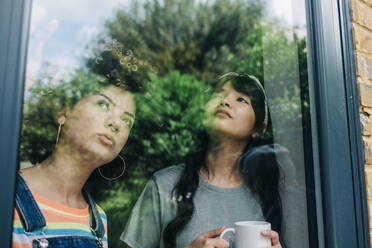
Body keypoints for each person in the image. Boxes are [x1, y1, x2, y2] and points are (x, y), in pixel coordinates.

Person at [121, 72, 283, 248]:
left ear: (259, 128)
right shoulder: (163, 185)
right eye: (218, 94)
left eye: (241, 99)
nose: (225, 101)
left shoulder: (268, 196)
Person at [12, 82, 136, 248]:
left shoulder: (99, 220)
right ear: (65, 111)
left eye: (127, 120)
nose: (116, 123)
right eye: (103, 104)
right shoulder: (8, 195)